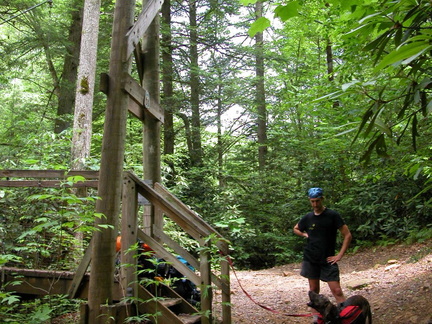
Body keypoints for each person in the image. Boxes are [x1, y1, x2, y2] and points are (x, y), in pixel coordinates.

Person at [293, 187, 352, 305]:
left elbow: (347, 235)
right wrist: (304, 234)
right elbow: (296, 228)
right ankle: (317, 318)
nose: (315, 204)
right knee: (314, 291)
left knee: (337, 290)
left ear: (322, 199)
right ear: (309, 200)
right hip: (311, 258)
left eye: (317, 201)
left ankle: (345, 315)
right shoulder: (308, 217)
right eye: (312, 201)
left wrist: (339, 255)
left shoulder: (332, 215)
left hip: (328, 259)